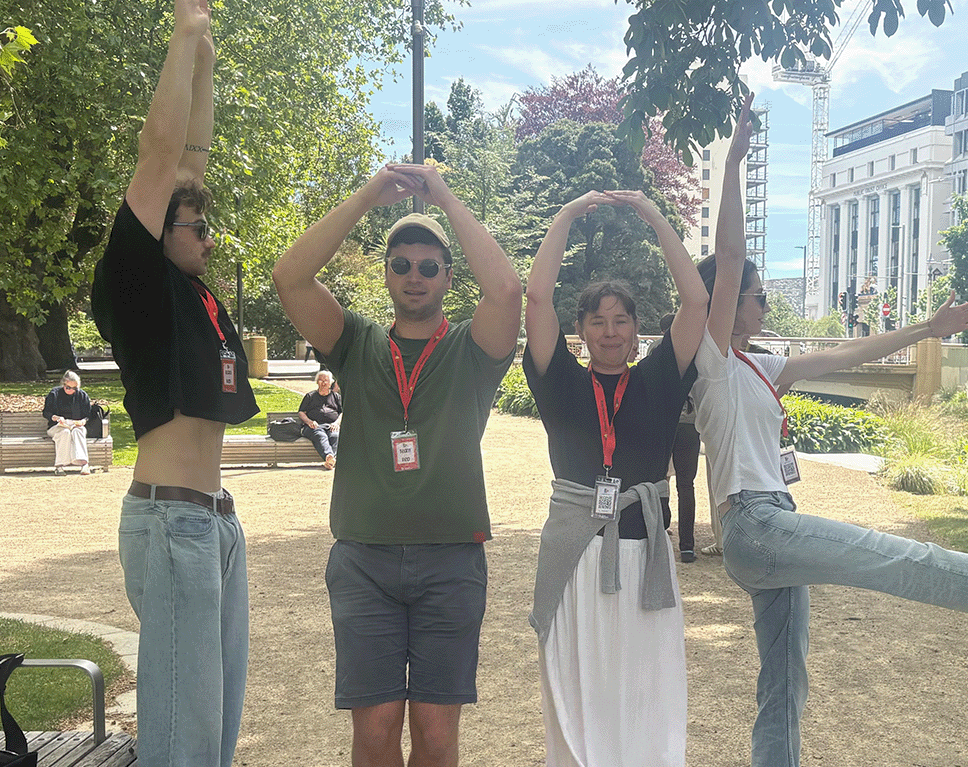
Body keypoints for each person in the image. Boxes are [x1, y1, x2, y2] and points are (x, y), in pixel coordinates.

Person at [692, 93, 968, 767]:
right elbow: (732, 251)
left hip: (769, 523)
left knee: (784, 683)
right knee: (911, 560)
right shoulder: (712, 362)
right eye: (755, 293)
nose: (764, 300)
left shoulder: (767, 366)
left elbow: (849, 354)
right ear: (725, 302)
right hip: (754, 524)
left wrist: (926, 329)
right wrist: (736, 164)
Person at [272, 163, 522, 767]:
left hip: (451, 562)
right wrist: (368, 197)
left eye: (429, 266)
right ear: (387, 273)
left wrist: (442, 195)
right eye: (402, 264)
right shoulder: (356, 340)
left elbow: (509, 291)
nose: (416, 276)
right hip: (365, 560)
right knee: (376, 731)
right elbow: (289, 276)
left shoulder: (472, 347)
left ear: (447, 277)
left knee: (436, 736)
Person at [90, 2, 259, 765]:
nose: (207, 234)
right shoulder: (136, 283)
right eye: (194, 226)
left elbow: (191, 158)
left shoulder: (197, 294)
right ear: (155, 232)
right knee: (178, 735)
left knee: (212, 724)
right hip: (170, 526)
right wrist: (184, 32)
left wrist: (210, 61)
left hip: (212, 524)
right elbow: (163, 156)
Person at [523, 190, 707, 766]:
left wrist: (654, 217)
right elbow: (535, 299)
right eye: (597, 321)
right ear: (579, 330)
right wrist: (564, 217)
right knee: (578, 687)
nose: (609, 331)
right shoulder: (561, 382)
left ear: (635, 331)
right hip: (578, 558)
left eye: (620, 320)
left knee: (646, 688)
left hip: (646, 557)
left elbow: (697, 301)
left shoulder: (658, 378)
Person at [659, 313, 701, 563]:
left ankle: (661, 529)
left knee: (660, 479)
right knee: (686, 485)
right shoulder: (695, 350)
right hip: (689, 424)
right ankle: (687, 545)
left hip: (663, 423)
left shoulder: (656, 350)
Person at [43, 371, 93, 476]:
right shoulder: (54, 394)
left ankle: (84, 464)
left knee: (78, 431)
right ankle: (60, 466)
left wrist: (83, 421)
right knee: (64, 432)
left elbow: (88, 414)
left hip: (75, 424)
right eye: (68, 387)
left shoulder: (82, 395)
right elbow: (46, 412)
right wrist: (56, 418)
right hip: (57, 425)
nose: (71, 391)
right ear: (63, 384)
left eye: (74, 388)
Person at [298, 369, 343, 469]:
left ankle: (330, 461)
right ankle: (329, 457)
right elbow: (301, 412)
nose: (324, 383)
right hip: (314, 426)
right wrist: (309, 421)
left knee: (335, 436)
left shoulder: (336, 397)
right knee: (320, 435)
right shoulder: (310, 396)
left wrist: (336, 423)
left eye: (326, 380)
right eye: (321, 380)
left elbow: (342, 412)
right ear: (317, 382)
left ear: (330, 383)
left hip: (331, 425)